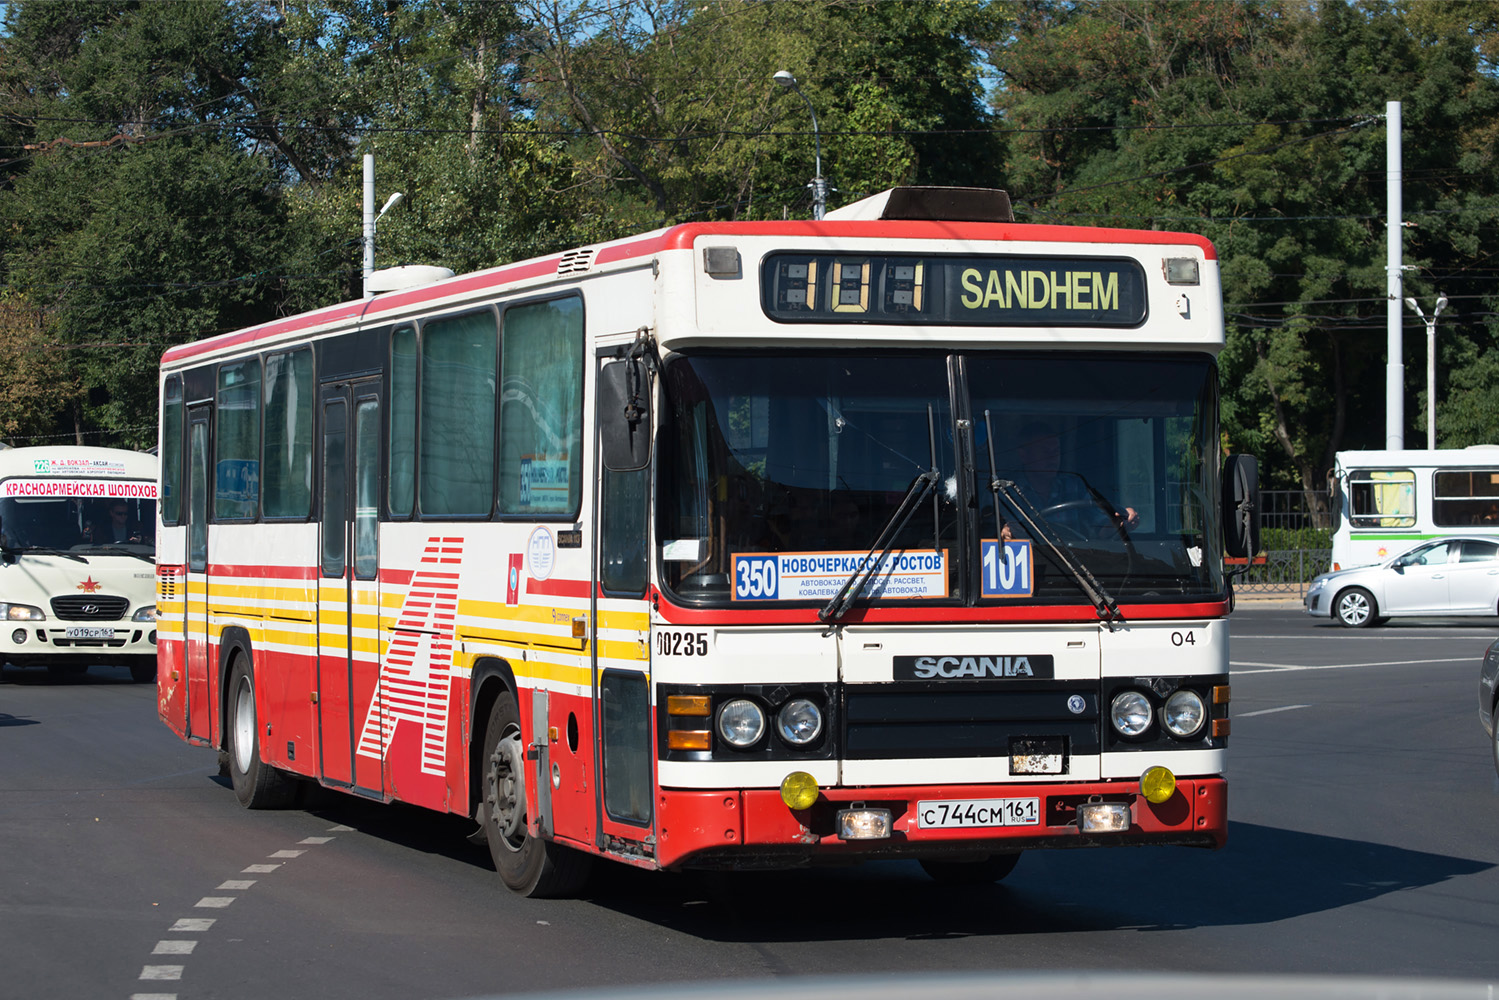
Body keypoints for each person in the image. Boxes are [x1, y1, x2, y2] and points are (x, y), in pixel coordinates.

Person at [1000, 421, 1138, 541]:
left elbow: (1100, 527)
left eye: (1056, 451)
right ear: (1024, 455)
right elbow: (986, 533)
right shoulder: (1003, 490)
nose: (1053, 457)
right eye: (1044, 451)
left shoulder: (1073, 485)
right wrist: (1004, 532)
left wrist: (1120, 521)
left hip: (1074, 564)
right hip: (1028, 566)